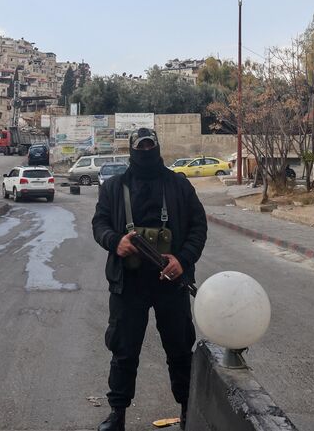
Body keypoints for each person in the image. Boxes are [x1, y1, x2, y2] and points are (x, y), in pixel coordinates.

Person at [91, 128, 207, 431]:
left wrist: (183, 260)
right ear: (132, 150)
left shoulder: (179, 186)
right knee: (123, 351)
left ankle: (186, 410)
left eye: (149, 146)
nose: (145, 152)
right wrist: (115, 241)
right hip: (128, 284)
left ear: (157, 148)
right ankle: (117, 414)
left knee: (180, 350)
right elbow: (99, 223)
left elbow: (198, 227)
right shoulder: (114, 188)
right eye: (140, 147)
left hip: (171, 283)